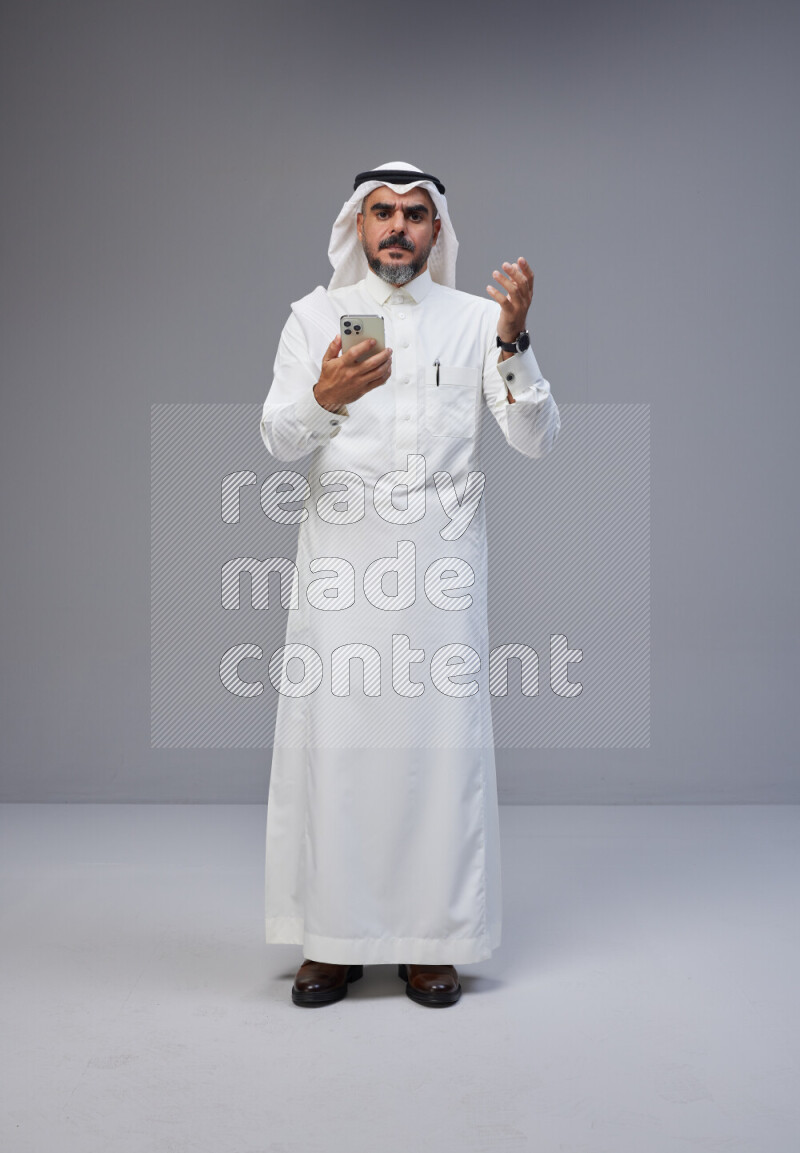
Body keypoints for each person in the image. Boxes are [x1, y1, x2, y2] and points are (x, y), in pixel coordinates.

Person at [259, 161, 560, 1008]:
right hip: (343, 567)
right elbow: (279, 439)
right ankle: (332, 940)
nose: (398, 227)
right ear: (358, 225)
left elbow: (535, 438)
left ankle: (434, 939)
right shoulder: (312, 316)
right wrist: (322, 397)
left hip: (441, 566)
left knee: (438, 749)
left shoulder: (476, 320)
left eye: (416, 215)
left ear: (438, 231)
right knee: (340, 746)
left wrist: (515, 341)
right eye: (382, 213)